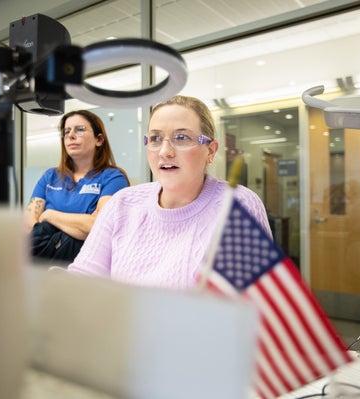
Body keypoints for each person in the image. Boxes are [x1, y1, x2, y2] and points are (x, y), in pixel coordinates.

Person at [67, 95, 271, 290]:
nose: (165, 151)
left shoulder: (236, 204)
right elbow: (82, 281)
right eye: (155, 138)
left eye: (181, 137)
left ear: (210, 150)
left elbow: (253, 305)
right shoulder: (124, 203)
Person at [25, 110, 129, 263]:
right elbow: (28, 223)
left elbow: (98, 227)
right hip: (40, 268)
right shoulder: (49, 177)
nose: (71, 135)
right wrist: (74, 231)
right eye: (66, 131)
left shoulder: (113, 178)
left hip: (88, 270)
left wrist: (49, 215)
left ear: (99, 139)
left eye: (79, 130)